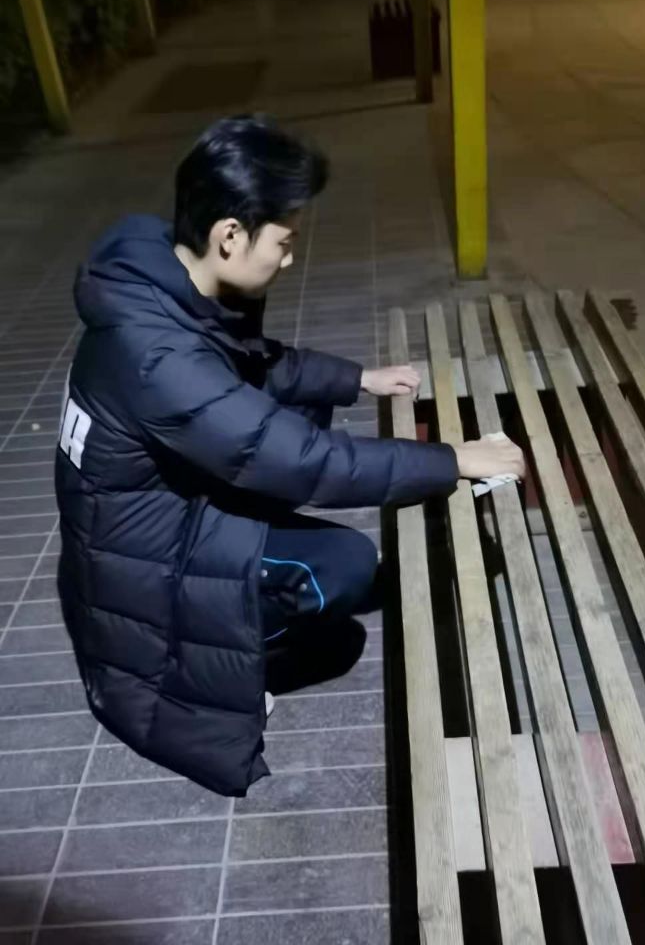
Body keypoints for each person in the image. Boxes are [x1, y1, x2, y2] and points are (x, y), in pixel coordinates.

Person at [55, 115, 525, 796]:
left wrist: (357, 379)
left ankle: (250, 625)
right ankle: (212, 669)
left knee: (301, 418)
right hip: (147, 587)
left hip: (155, 528)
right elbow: (307, 463)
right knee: (346, 564)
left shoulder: (163, 279)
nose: (289, 259)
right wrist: (453, 460)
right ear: (229, 236)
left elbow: (253, 367)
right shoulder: (158, 357)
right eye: (283, 241)